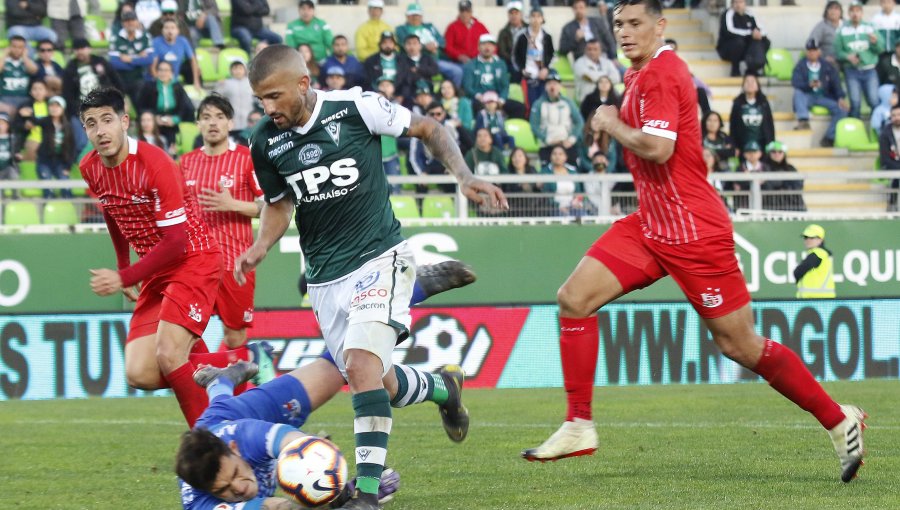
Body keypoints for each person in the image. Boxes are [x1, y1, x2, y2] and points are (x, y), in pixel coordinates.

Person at [521, 0, 868, 486]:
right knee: (574, 299)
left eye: (635, 23)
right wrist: (609, 128)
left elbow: (659, 149)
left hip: (693, 232)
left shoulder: (663, 73)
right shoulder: (636, 75)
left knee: (741, 346)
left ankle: (839, 421)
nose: (624, 31)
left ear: (660, 26)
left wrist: (610, 124)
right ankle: (579, 423)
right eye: (619, 23)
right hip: (651, 224)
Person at [239, 44, 507, 509]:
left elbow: (428, 127)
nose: (268, 108)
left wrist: (462, 177)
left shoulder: (357, 107)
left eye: (274, 96)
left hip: (380, 255)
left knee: (361, 368)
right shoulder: (264, 140)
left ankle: (365, 497)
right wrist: (263, 243)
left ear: (303, 84)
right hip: (324, 278)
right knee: (377, 381)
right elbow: (280, 203)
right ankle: (444, 388)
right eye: (260, 99)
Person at [78, 87, 264, 428]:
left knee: (169, 352)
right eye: (91, 124)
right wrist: (123, 265)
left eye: (107, 120)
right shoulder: (89, 167)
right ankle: (225, 370)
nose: (100, 130)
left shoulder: (155, 162)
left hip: (194, 260)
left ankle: (210, 441)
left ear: (124, 121)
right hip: (157, 270)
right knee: (140, 373)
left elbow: (176, 242)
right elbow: (112, 209)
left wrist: (124, 277)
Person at [176, 359, 402, 510]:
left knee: (338, 365)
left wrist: (313, 452)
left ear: (235, 449)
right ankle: (220, 381)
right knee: (216, 410)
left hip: (239, 414)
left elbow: (288, 440)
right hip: (213, 425)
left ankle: (424, 287)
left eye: (235, 472)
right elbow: (275, 506)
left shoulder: (246, 436)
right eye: (222, 490)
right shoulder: (198, 502)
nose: (238, 488)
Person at [179, 94, 266, 353]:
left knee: (235, 336)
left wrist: (234, 205)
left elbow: (270, 207)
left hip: (235, 264)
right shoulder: (186, 162)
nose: (212, 123)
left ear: (230, 123)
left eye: (219, 117)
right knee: (187, 334)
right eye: (206, 117)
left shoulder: (246, 158)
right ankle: (204, 388)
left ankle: (231, 391)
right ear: (198, 125)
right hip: (195, 265)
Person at [791, 38, 848, 148]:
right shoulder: (800, 66)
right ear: (806, 52)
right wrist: (809, 85)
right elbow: (795, 82)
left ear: (819, 52)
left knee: (842, 110)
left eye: (814, 50)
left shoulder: (827, 66)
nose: (812, 53)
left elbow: (836, 82)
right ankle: (803, 121)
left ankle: (829, 137)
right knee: (798, 93)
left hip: (824, 96)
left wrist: (840, 97)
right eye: (809, 50)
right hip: (807, 96)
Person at [396, 3, 462, 88]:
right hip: (419, 62)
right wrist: (425, 47)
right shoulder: (402, 29)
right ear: (407, 16)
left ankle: (452, 94)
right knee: (433, 79)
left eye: (418, 15)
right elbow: (405, 43)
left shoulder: (429, 26)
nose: (416, 17)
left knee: (457, 71)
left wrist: (435, 45)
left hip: (436, 61)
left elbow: (442, 41)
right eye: (413, 15)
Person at [836, 1, 884, 119]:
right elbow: (837, 52)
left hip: (870, 70)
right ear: (848, 13)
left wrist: (875, 42)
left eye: (857, 10)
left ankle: (877, 131)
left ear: (862, 12)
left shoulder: (870, 27)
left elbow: (881, 48)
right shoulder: (842, 30)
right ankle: (855, 133)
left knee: (874, 101)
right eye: (852, 11)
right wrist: (847, 56)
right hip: (852, 70)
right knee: (855, 102)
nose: (855, 13)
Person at [137, 60, 195, 155]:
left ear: (171, 73)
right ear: (157, 72)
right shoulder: (149, 86)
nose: (163, 73)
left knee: (171, 149)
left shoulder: (177, 87)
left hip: (171, 125)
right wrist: (154, 118)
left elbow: (186, 108)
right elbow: (141, 106)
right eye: (160, 70)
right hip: (154, 125)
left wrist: (175, 119)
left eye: (166, 70)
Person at [530, 69, 583, 166]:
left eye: (555, 83)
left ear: (560, 86)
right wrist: (546, 139)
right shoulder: (538, 104)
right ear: (545, 86)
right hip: (547, 145)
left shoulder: (568, 102)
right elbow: (534, 125)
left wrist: (572, 139)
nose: (552, 86)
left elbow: (579, 121)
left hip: (566, 144)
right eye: (549, 83)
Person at [109, 10, 156, 106]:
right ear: (122, 23)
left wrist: (130, 59)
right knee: (119, 109)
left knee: (141, 106)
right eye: (127, 20)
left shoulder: (145, 37)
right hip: (120, 79)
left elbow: (149, 59)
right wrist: (138, 59)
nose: (130, 23)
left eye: (132, 20)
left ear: (137, 21)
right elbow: (114, 63)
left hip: (139, 78)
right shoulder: (115, 38)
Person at [513, 7, 554, 110]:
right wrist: (521, 69)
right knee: (530, 104)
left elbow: (552, 55)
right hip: (527, 76)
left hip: (542, 76)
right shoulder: (522, 36)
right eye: (533, 16)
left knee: (543, 104)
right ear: (528, 18)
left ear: (542, 19)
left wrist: (546, 69)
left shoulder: (547, 37)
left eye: (538, 16)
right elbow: (515, 56)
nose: (535, 19)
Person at [34, 95, 75, 199]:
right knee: (47, 189)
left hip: (61, 161)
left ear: (62, 109)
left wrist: (68, 166)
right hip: (44, 160)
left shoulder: (68, 126)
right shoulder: (45, 122)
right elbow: (33, 121)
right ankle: (47, 212)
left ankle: (68, 210)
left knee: (66, 188)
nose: (54, 108)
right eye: (51, 105)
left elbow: (71, 147)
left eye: (57, 106)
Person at [716, 0, 770, 77]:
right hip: (727, 48)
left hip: (745, 48)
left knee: (765, 41)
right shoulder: (727, 14)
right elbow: (730, 31)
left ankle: (753, 69)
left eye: (740, 2)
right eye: (736, 2)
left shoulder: (750, 14)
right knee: (738, 42)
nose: (738, 5)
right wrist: (750, 34)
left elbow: (761, 29)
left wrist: (758, 34)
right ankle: (735, 69)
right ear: (732, 4)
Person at [728, 73, 774, 162]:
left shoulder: (764, 103)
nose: (750, 84)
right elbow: (733, 126)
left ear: (758, 86)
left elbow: (770, 125)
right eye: (747, 82)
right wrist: (734, 145)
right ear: (743, 86)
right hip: (743, 144)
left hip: (762, 144)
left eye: (753, 81)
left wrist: (770, 143)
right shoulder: (737, 103)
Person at [152, 18, 201, 87]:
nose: (169, 31)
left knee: (193, 67)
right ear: (162, 31)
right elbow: (152, 67)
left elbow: (192, 60)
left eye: (172, 28)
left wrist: (196, 81)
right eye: (166, 28)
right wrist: (159, 83)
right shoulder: (156, 42)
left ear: (178, 31)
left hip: (174, 79)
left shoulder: (183, 41)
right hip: (159, 79)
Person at [763, 140, 806, 212]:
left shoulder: (791, 168)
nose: (777, 154)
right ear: (769, 153)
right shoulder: (763, 168)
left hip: (792, 204)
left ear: (784, 154)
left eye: (780, 152)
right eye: (773, 152)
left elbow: (799, 184)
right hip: (770, 205)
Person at [793, 224, 835, 298]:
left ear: (820, 239)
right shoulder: (821, 253)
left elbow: (800, 270)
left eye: (812, 237)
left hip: (816, 300)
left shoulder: (819, 253)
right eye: (806, 237)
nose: (808, 240)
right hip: (820, 300)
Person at [573, 39, 620, 104]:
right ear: (585, 50)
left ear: (600, 50)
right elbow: (589, 77)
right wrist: (606, 77)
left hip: (608, 101)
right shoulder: (579, 63)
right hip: (588, 102)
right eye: (589, 49)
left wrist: (597, 76)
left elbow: (616, 78)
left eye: (595, 49)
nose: (592, 52)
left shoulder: (607, 62)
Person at [444, 0, 490, 67]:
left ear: (471, 12)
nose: (464, 14)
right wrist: (459, 56)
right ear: (459, 12)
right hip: (459, 62)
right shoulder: (452, 27)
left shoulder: (480, 26)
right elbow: (448, 47)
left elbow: (490, 42)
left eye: (467, 11)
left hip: (479, 60)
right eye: (462, 11)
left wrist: (485, 55)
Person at [396, 33, 439, 105]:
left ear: (420, 46)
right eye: (409, 44)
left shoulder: (427, 58)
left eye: (415, 43)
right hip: (410, 92)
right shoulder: (401, 60)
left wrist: (418, 69)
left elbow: (435, 71)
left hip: (429, 89)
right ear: (404, 46)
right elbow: (403, 76)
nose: (412, 46)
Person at [0, 35, 38, 115]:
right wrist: (4, 54)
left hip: (24, 98)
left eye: (20, 47)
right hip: (5, 98)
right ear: (9, 47)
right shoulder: (4, 61)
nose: (17, 50)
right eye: (14, 46)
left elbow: (34, 70)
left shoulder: (26, 62)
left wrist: (24, 56)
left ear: (24, 49)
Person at [215, 60, 255, 132]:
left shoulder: (251, 83)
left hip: (249, 119)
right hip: (233, 119)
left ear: (245, 70)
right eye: (235, 69)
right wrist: (218, 85)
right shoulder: (226, 83)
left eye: (240, 68)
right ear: (231, 71)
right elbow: (217, 97)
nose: (238, 71)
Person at [504, 146, 542, 216]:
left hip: (534, 205)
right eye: (514, 156)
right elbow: (507, 191)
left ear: (525, 158)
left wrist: (535, 186)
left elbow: (537, 187)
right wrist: (520, 187)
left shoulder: (532, 169)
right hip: (516, 207)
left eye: (520, 156)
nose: (517, 159)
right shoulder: (508, 172)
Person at [878, 103, 900, 211]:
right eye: (894, 115)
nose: (897, 118)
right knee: (896, 177)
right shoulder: (885, 134)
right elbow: (885, 158)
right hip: (892, 165)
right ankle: (892, 204)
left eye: (899, 115)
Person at [809, 1, 844, 67]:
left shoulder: (847, 25)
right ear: (826, 12)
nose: (833, 11)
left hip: (847, 60)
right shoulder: (821, 26)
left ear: (841, 12)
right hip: (829, 61)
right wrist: (823, 56)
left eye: (836, 8)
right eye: (831, 8)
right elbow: (811, 43)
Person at [497, 1, 526, 72]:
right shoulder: (503, 32)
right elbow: (502, 51)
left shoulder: (528, 30)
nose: (514, 16)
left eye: (516, 13)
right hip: (509, 63)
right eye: (511, 13)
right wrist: (515, 59)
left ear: (521, 14)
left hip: (527, 62)